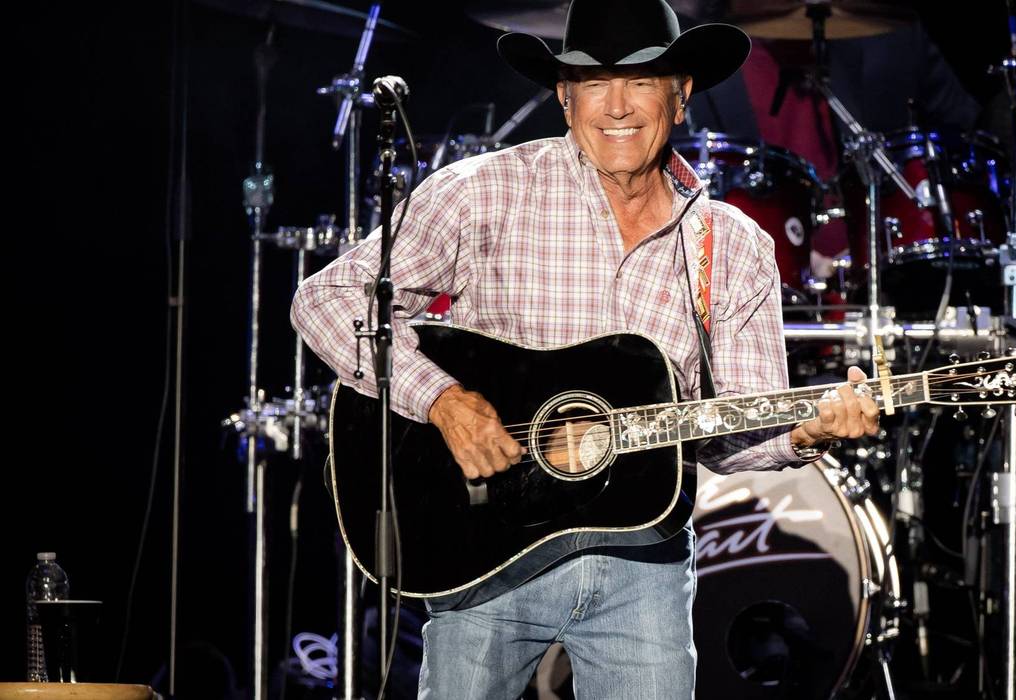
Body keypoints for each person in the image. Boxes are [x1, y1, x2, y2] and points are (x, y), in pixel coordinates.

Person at [291, 0, 880, 696]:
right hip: (486, 550)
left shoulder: (734, 244)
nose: (618, 106)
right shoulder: (486, 190)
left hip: (644, 565)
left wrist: (806, 430)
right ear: (565, 99)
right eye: (594, 84)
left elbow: (731, 437)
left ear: (680, 95)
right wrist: (443, 400)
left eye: (641, 82)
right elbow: (325, 301)